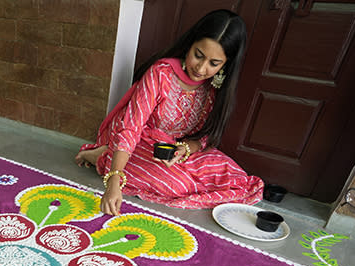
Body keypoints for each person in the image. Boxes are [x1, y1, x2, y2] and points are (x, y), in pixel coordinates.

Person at [75, 9, 264, 215]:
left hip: (176, 151)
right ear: (190, 45)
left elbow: (206, 136)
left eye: (213, 63)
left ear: (226, 64)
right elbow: (131, 127)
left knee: (237, 178)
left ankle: (116, 160)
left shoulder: (215, 86)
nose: (201, 68)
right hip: (140, 142)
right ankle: (103, 158)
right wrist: (113, 182)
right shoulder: (161, 73)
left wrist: (186, 149)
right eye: (198, 55)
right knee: (177, 186)